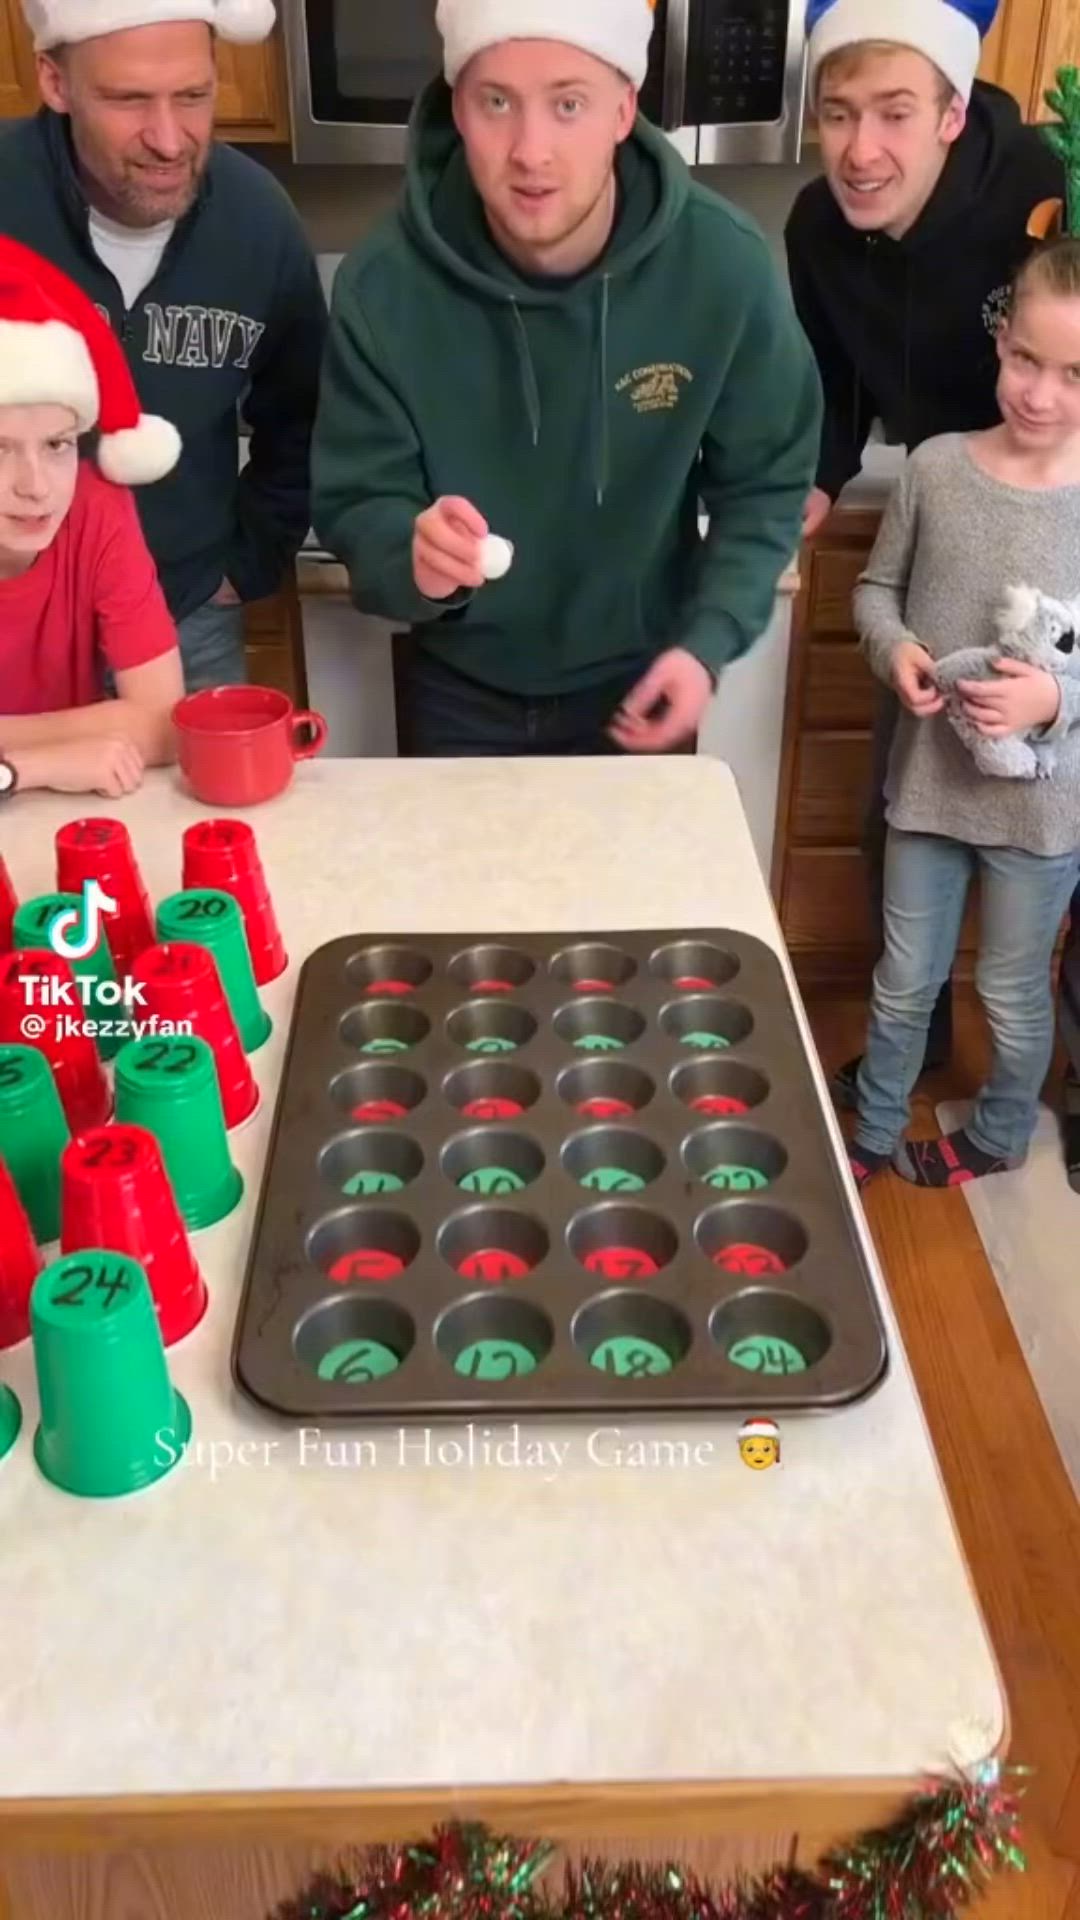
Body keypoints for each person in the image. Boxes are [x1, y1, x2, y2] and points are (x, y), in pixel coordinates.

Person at [312, 0, 822, 758]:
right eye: (496, 103)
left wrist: (706, 642)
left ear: (623, 109)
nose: (531, 151)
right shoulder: (382, 287)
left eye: (569, 104)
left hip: (642, 680)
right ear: (457, 105)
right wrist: (408, 554)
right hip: (457, 691)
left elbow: (767, 483)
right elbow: (358, 502)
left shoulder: (723, 268)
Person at [785, 0, 1063, 1105]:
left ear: (952, 116)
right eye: (839, 116)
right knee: (906, 808)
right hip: (942, 528)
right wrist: (809, 483)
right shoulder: (816, 229)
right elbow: (832, 385)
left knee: (1061, 830)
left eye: (896, 114)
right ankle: (919, 1037)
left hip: (1060, 523)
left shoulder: (1038, 194)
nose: (863, 150)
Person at [0, 0, 328, 693]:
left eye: (193, 97)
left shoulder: (259, 223)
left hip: (189, 617)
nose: (170, 139)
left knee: (194, 803)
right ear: (55, 83)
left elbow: (304, 420)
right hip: (12, 628)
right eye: (128, 100)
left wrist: (244, 566)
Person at [846, 233, 1080, 1194]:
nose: (1039, 393)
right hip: (930, 791)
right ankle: (869, 1132)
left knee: (1013, 993)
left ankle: (997, 1133)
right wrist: (894, 648)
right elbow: (875, 591)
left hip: (1040, 813)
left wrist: (1056, 697)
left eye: (1074, 375)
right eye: (1026, 359)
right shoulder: (936, 468)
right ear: (999, 340)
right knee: (904, 981)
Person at [0, 236, 184, 801]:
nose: (35, 486)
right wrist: (34, 765)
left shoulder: (98, 507)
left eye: (56, 445)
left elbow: (163, 724)